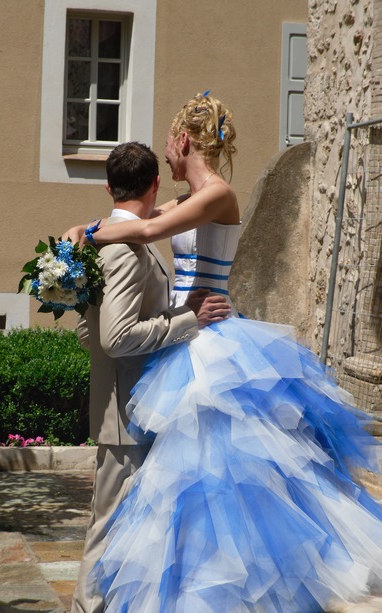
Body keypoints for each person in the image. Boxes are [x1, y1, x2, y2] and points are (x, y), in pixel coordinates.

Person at [65, 93, 382, 612]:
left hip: (212, 334)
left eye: (169, 144)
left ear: (184, 140)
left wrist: (87, 235)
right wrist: (80, 232)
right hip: (186, 334)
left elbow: (144, 228)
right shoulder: (190, 197)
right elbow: (141, 218)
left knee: (224, 474)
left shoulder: (217, 193)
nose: (166, 156)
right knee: (179, 480)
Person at [63, 141, 230, 613]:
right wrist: (186, 320)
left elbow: (87, 333)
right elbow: (115, 339)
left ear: (108, 185)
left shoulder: (105, 239)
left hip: (130, 406)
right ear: (155, 183)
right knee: (109, 527)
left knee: (126, 525)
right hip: (127, 413)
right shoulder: (124, 250)